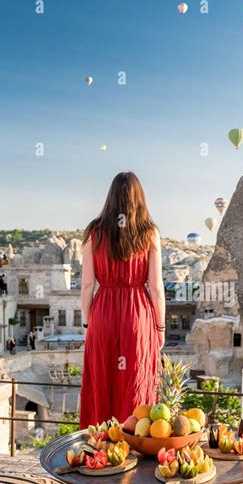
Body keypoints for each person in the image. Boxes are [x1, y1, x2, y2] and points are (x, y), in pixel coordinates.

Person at [79, 171, 165, 428]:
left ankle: (101, 445)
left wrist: (87, 324)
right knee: (135, 381)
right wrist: (159, 327)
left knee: (102, 379)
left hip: (103, 311)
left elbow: (86, 285)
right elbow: (156, 287)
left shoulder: (93, 233)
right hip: (137, 314)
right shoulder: (149, 232)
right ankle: (134, 445)